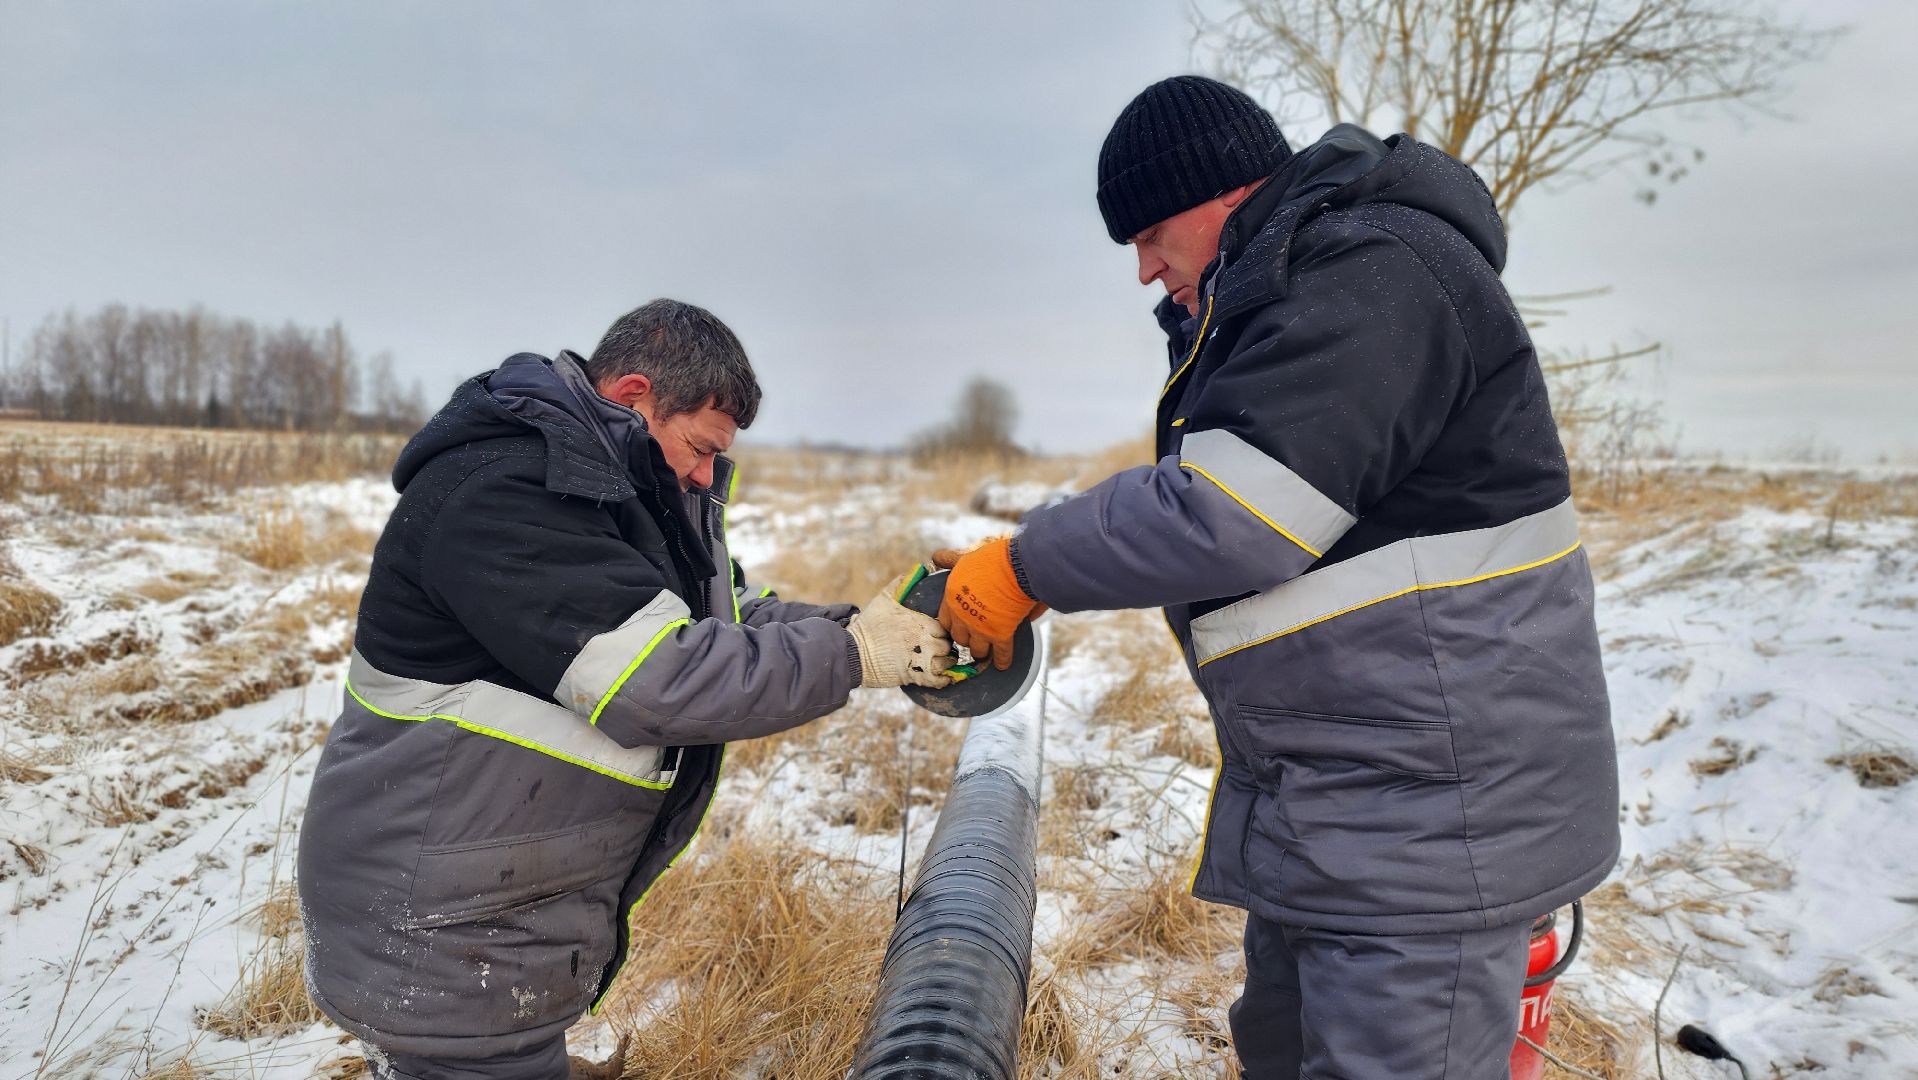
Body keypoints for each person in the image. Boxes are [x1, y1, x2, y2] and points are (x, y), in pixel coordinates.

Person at [935, 76, 1620, 1079]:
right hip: (1351, 811)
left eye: (1150, 233)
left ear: (1222, 192)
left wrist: (1026, 563)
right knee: (1284, 1053)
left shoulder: (1369, 271)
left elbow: (1231, 513)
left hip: (1424, 832)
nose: (1141, 269)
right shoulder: (1294, 294)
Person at [298, 299, 953, 1080]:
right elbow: (662, 680)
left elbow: (731, 616)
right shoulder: (503, 496)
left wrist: (874, 627)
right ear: (635, 394)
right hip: (437, 927)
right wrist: (852, 657)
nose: (709, 475)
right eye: (700, 448)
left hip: (488, 910)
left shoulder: (621, 497)